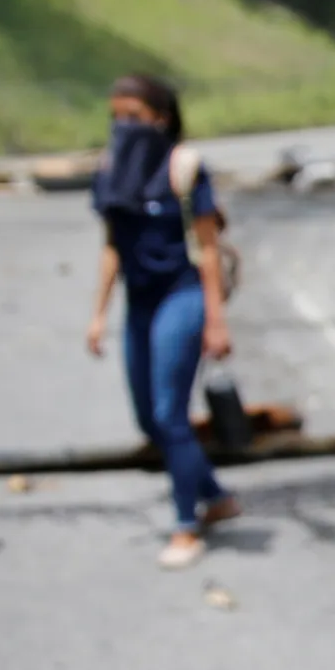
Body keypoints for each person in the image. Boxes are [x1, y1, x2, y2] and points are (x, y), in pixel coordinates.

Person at [83, 74, 238, 568]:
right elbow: (112, 246)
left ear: (161, 117)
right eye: (117, 117)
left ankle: (185, 526)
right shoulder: (112, 169)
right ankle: (216, 496)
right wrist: (98, 314)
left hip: (183, 294)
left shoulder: (184, 168)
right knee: (149, 417)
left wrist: (216, 321)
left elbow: (208, 249)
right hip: (140, 301)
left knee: (171, 412)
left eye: (134, 116)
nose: (124, 126)